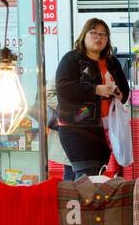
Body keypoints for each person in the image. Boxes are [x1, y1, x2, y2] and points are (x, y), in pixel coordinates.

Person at [54, 18, 129, 179]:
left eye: (103, 34)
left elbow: (124, 91)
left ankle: (75, 196)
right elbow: (64, 88)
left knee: (96, 174)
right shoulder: (72, 59)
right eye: (94, 33)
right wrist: (96, 90)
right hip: (77, 128)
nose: (98, 37)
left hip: (106, 129)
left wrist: (119, 94)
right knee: (87, 177)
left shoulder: (112, 62)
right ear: (84, 35)